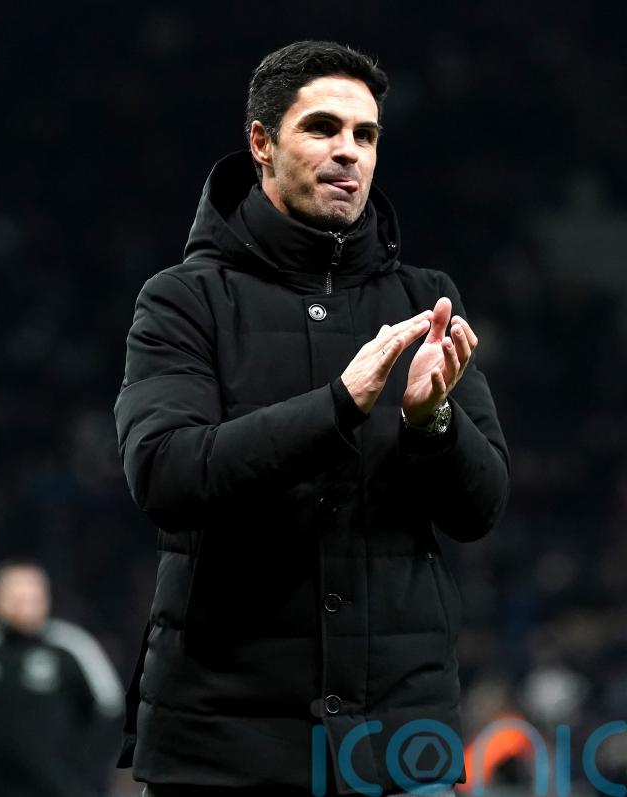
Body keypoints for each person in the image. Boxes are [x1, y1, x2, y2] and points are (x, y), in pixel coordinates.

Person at [114, 40, 510, 797]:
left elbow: (481, 508)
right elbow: (164, 473)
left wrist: (432, 423)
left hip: (396, 744)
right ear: (262, 143)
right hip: (225, 749)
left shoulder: (423, 299)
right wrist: (338, 406)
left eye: (365, 134)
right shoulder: (183, 300)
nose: (348, 151)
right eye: (322, 128)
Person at [0, 559, 124, 797]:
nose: (24, 606)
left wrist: (81, 773)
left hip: (61, 790)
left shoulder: (71, 646)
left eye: (31, 597)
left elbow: (111, 708)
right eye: (15, 597)